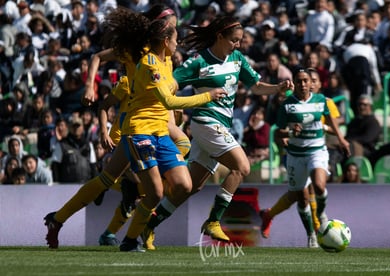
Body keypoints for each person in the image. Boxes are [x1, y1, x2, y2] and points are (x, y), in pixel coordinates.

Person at [43, 6, 223, 249]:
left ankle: (67, 217)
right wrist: (90, 86)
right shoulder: (139, 53)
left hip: (155, 122)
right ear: (163, 32)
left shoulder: (166, 57)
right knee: (159, 174)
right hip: (136, 121)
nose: (176, 34)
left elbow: (168, 93)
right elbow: (98, 57)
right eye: (172, 26)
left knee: (110, 179)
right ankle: (132, 221)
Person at [141, 16, 294, 250]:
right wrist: (177, 105)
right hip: (205, 122)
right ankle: (213, 220)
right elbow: (170, 85)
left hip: (222, 125)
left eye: (240, 41)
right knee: (241, 167)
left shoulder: (237, 59)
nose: (238, 45)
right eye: (234, 40)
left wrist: (277, 88)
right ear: (219, 36)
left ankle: (148, 226)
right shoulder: (198, 62)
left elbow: (255, 86)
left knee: (190, 187)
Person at [116, 17, 225, 252]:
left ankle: (137, 190)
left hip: (161, 133)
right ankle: (130, 240)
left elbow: (172, 88)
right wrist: (208, 95)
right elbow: (168, 100)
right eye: (176, 41)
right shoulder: (149, 65)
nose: (178, 45)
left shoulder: (166, 64)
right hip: (140, 131)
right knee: (155, 192)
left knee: (184, 185)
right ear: (166, 41)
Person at [258, 68, 350, 248]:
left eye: (311, 80)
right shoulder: (288, 104)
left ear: (316, 83)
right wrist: (289, 132)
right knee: (301, 196)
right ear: (295, 83)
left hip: (317, 149)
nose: (307, 84)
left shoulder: (325, 101)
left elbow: (333, 124)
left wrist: (339, 138)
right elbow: (278, 131)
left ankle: (318, 224)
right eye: (301, 81)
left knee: (317, 186)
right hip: (296, 153)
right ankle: (311, 232)